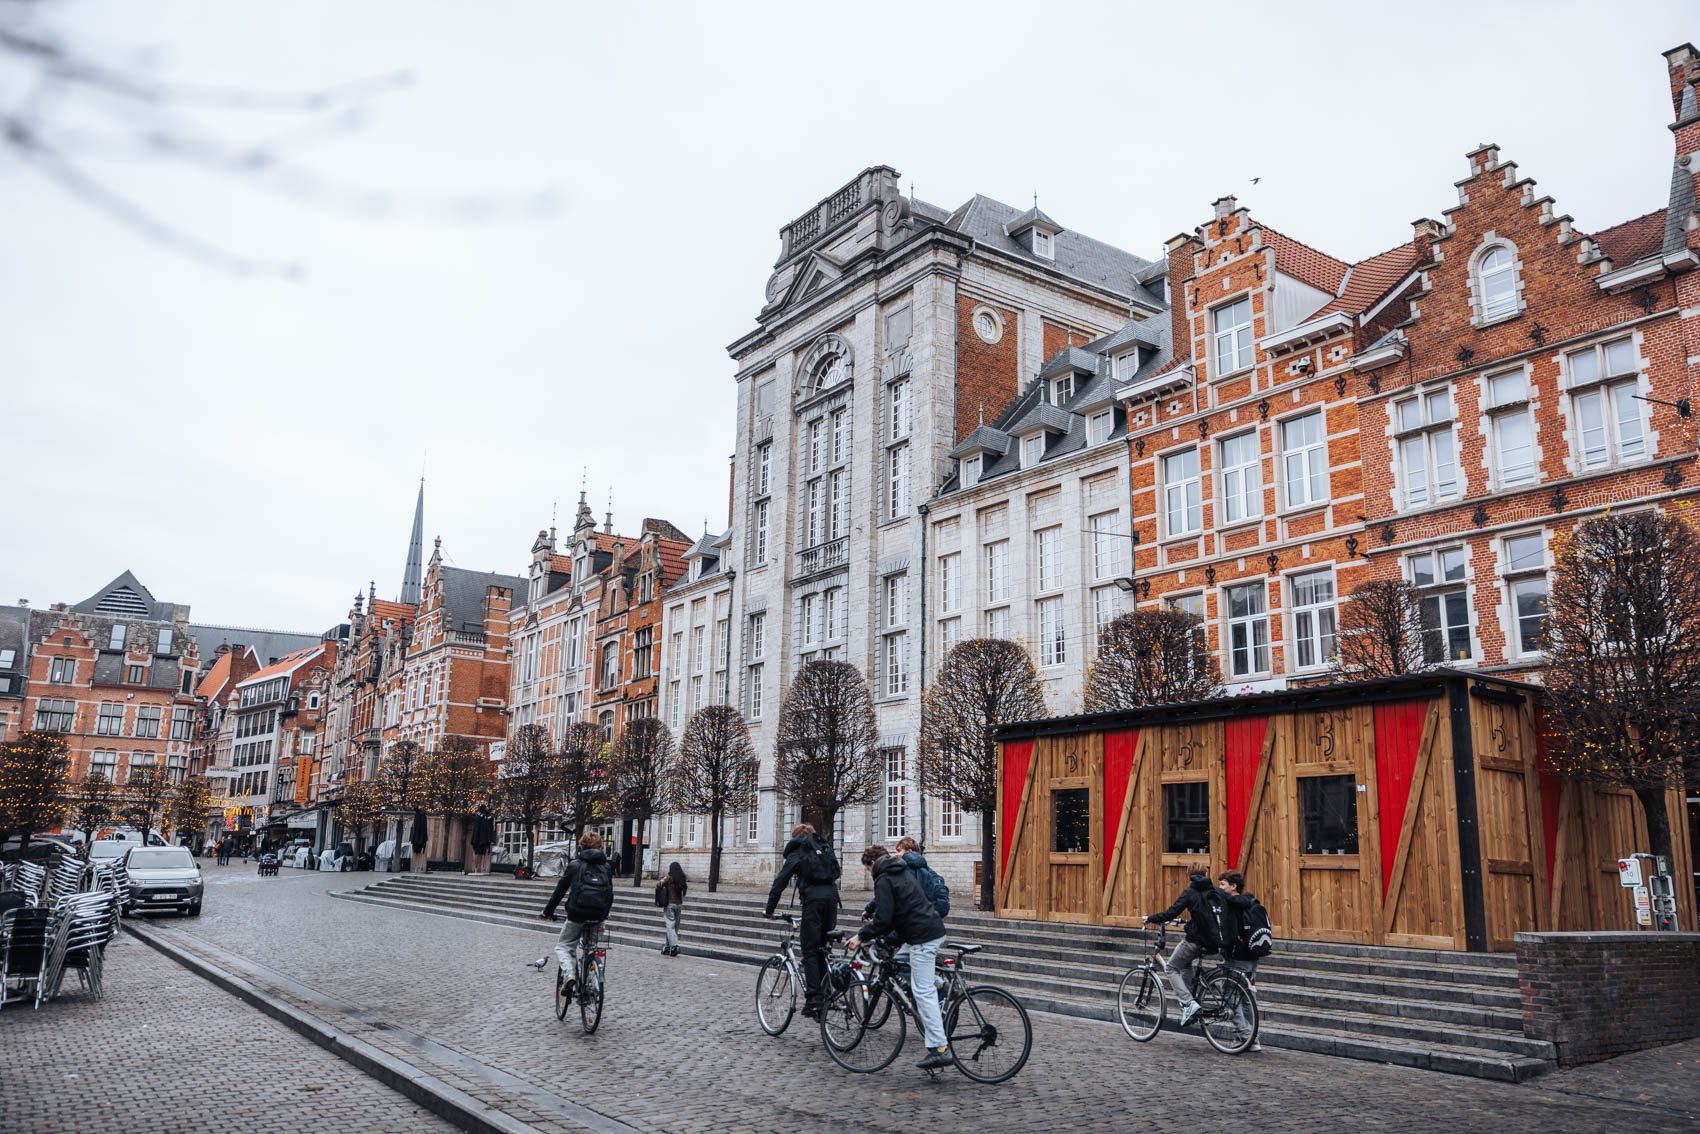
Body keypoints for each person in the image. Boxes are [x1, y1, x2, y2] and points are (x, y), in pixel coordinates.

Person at [845, 845, 952, 1071]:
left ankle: (939, 1048)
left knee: (922, 992)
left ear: (872, 864)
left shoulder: (883, 879)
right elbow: (902, 910)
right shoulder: (901, 870)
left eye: (867, 869)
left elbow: (883, 918)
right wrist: (891, 938)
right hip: (922, 931)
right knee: (900, 962)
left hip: (922, 936)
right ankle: (940, 981)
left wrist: (860, 936)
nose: (868, 873)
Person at [763, 822, 841, 1019]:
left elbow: (781, 881)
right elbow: (836, 871)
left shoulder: (798, 850)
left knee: (810, 949)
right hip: (832, 900)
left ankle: (814, 999)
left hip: (813, 902)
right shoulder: (824, 846)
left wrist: (770, 909)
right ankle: (827, 992)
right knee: (823, 947)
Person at [1143, 865, 1223, 1026]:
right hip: (1216, 941)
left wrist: (1150, 918)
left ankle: (1188, 1003)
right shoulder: (1216, 892)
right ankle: (1189, 1000)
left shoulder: (1190, 892)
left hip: (1196, 940)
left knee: (1171, 967)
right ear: (1206, 874)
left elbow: (1170, 913)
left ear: (1189, 876)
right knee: (1185, 965)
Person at [539, 831, 615, 1000]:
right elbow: (610, 893)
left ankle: (570, 976)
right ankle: (595, 985)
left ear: (581, 847)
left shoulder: (575, 865)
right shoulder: (607, 867)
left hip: (577, 914)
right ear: (601, 847)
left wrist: (547, 912)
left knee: (564, 946)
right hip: (598, 915)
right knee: (597, 950)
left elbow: (560, 891)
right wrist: (606, 912)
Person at [1217, 870, 1263, 1052]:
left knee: (1228, 995)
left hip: (1236, 956)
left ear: (1233, 886)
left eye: (1223, 884)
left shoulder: (1231, 904)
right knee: (1246, 998)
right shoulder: (1250, 901)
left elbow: (1228, 932)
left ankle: (1245, 1036)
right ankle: (1253, 1038)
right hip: (1253, 955)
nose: (1220, 888)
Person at [660, 861, 687, 956]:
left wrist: (663, 879)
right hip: (679, 905)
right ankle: (667, 947)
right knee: (674, 927)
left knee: (670, 925)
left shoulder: (669, 878)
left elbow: (659, 885)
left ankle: (674, 946)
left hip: (670, 904)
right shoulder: (682, 878)